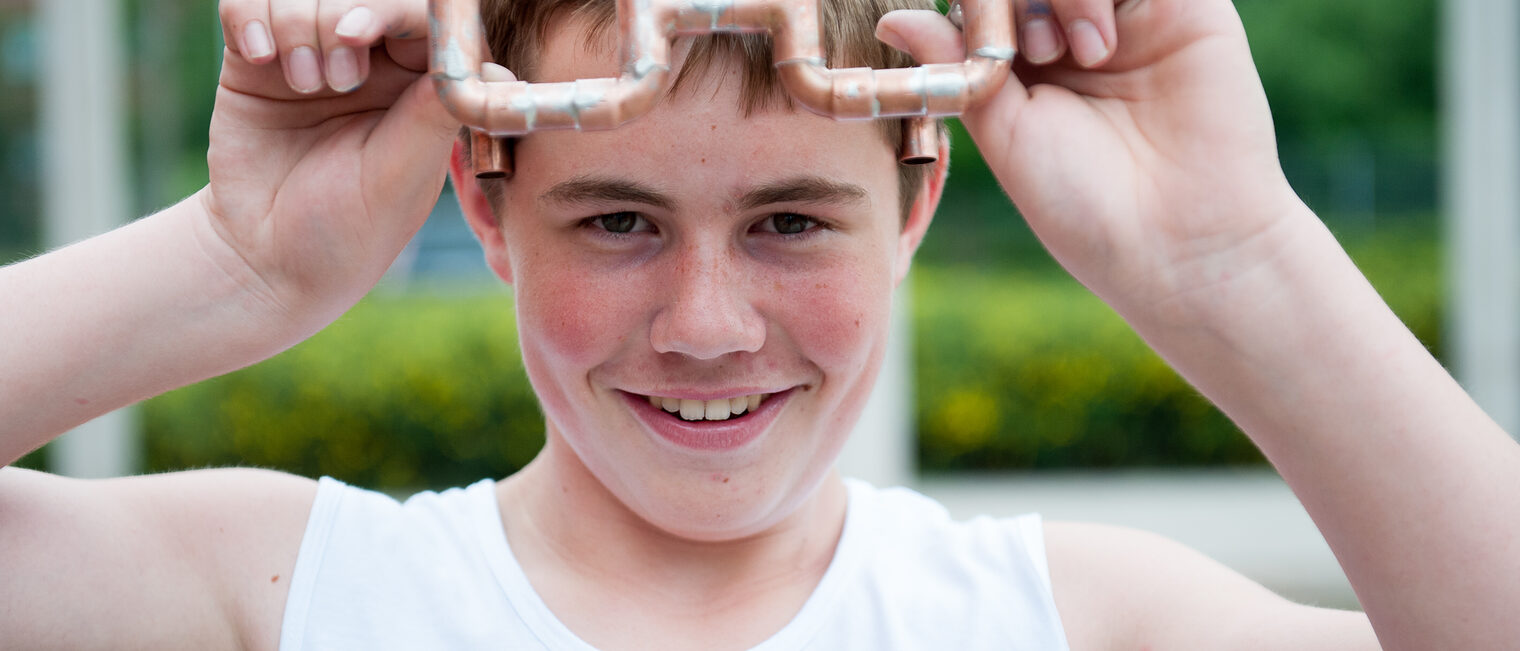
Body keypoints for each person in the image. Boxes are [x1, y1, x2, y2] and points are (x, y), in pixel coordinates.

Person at [2, 0, 1516, 647]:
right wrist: (233, 265)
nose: (710, 325)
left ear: (915, 200)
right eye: (616, 221)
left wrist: (1236, 259)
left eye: (791, 219)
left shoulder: (1072, 624)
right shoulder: (286, 600)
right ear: (483, 205)